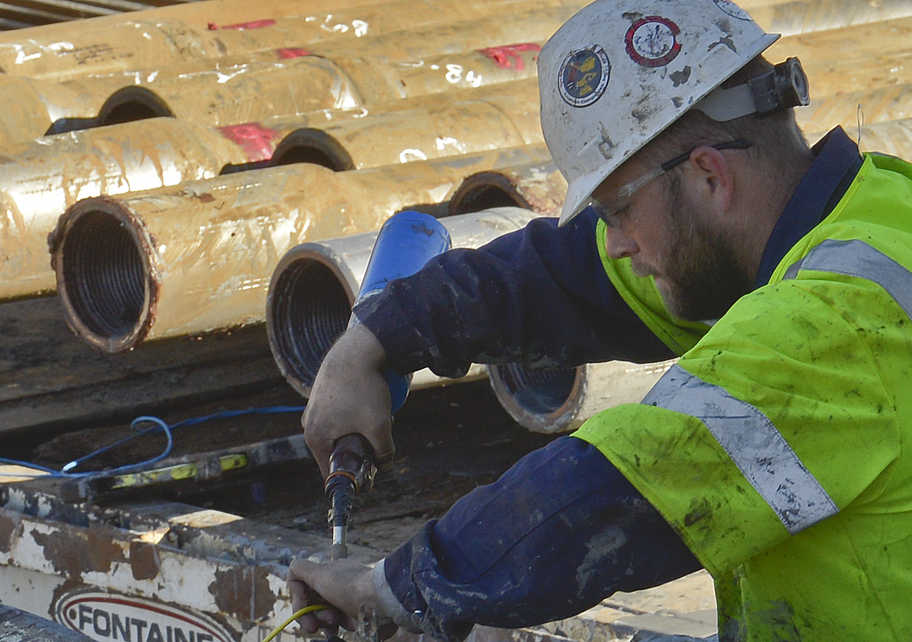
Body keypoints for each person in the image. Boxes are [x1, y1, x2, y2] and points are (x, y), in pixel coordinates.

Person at [288, 0, 912, 639]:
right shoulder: (866, 218)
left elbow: (620, 492)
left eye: (615, 210)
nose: (613, 243)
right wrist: (376, 337)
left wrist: (395, 588)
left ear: (708, 176)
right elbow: (564, 276)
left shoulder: (842, 318)